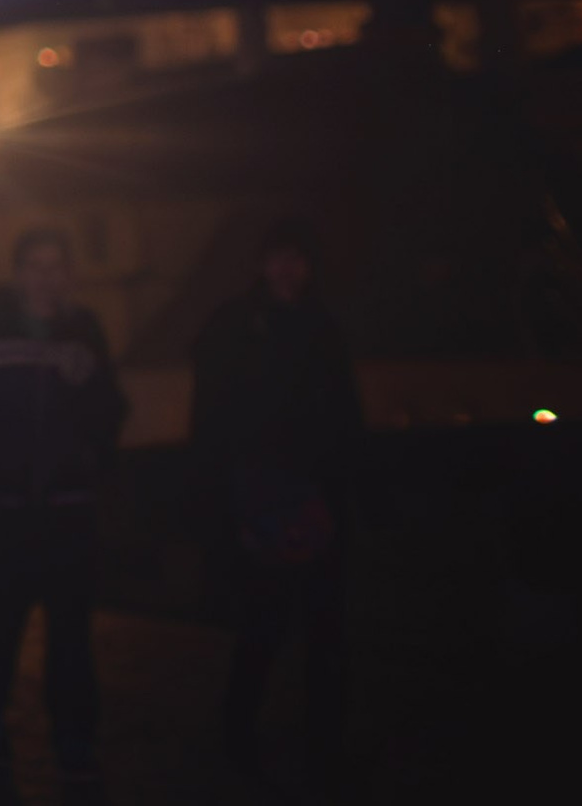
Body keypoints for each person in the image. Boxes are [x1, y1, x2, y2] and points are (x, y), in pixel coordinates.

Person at [0, 227, 127, 781]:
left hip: (69, 508)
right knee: (1, 626)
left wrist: (91, 451)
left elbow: (111, 407)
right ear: (19, 274)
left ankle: (74, 735)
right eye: (36, 266)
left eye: (55, 266)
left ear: (67, 275)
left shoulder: (83, 332)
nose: (46, 277)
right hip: (4, 511)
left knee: (71, 632)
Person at [190, 222, 361, 781]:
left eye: (297, 259)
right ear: (264, 265)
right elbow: (212, 420)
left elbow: (344, 416)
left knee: (322, 630)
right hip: (260, 497)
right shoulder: (238, 327)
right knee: (263, 627)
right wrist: (228, 503)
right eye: (279, 259)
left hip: (316, 496)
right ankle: (241, 734)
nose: (288, 270)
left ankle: (321, 737)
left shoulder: (321, 327)